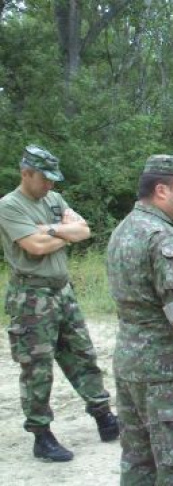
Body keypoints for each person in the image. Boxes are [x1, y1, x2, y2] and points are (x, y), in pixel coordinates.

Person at [0, 145, 118, 463]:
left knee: (83, 355)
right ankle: (42, 436)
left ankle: (104, 417)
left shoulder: (53, 200)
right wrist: (65, 233)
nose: (50, 184)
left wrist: (51, 230)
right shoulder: (9, 206)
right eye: (45, 178)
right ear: (26, 173)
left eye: (53, 179)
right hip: (31, 297)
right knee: (37, 368)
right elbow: (35, 247)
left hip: (63, 292)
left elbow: (85, 230)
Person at [107, 154, 173, 483]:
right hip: (165, 372)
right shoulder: (163, 237)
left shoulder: (124, 229)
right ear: (162, 190)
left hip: (130, 366)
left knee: (139, 464)